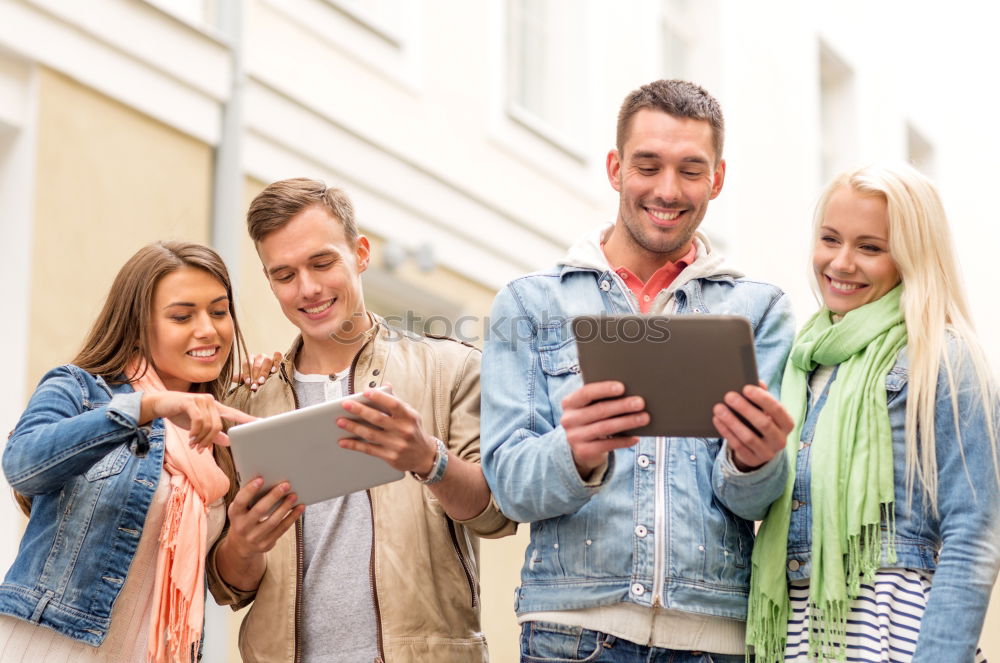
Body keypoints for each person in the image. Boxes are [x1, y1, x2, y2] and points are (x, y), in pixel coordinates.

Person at [480, 79, 796, 662]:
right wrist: (573, 452)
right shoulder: (531, 304)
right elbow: (507, 486)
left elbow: (759, 502)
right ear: (615, 168)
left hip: (713, 639)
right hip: (569, 634)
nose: (667, 190)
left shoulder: (760, 310)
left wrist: (757, 461)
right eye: (647, 165)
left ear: (718, 179)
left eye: (691, 170)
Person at [207, 178, 515, 663]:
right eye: (284, 275)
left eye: (322, 262)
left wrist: (427, 458)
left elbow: (495, 515)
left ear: (362, 253)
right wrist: (244, 544)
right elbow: (228, 589)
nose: (307, 288)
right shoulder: (244, 404)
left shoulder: (452, 370)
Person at [745, 163, 1000, 663]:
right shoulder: (799, 361)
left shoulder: (943, 356)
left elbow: (973, 534)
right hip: (795, 637)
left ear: (911, 257)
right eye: (830, 239)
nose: (841, 263)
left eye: (870, 247)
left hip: (891, 636)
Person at [0, 242, 255, 663]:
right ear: (139, 325)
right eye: (181, 316)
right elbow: (24, 466)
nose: (208, 329)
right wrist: (146, 408)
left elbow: (227, 583)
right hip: (49, 649)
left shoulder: (222, 431)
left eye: (219, 311)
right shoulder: (79, 389)